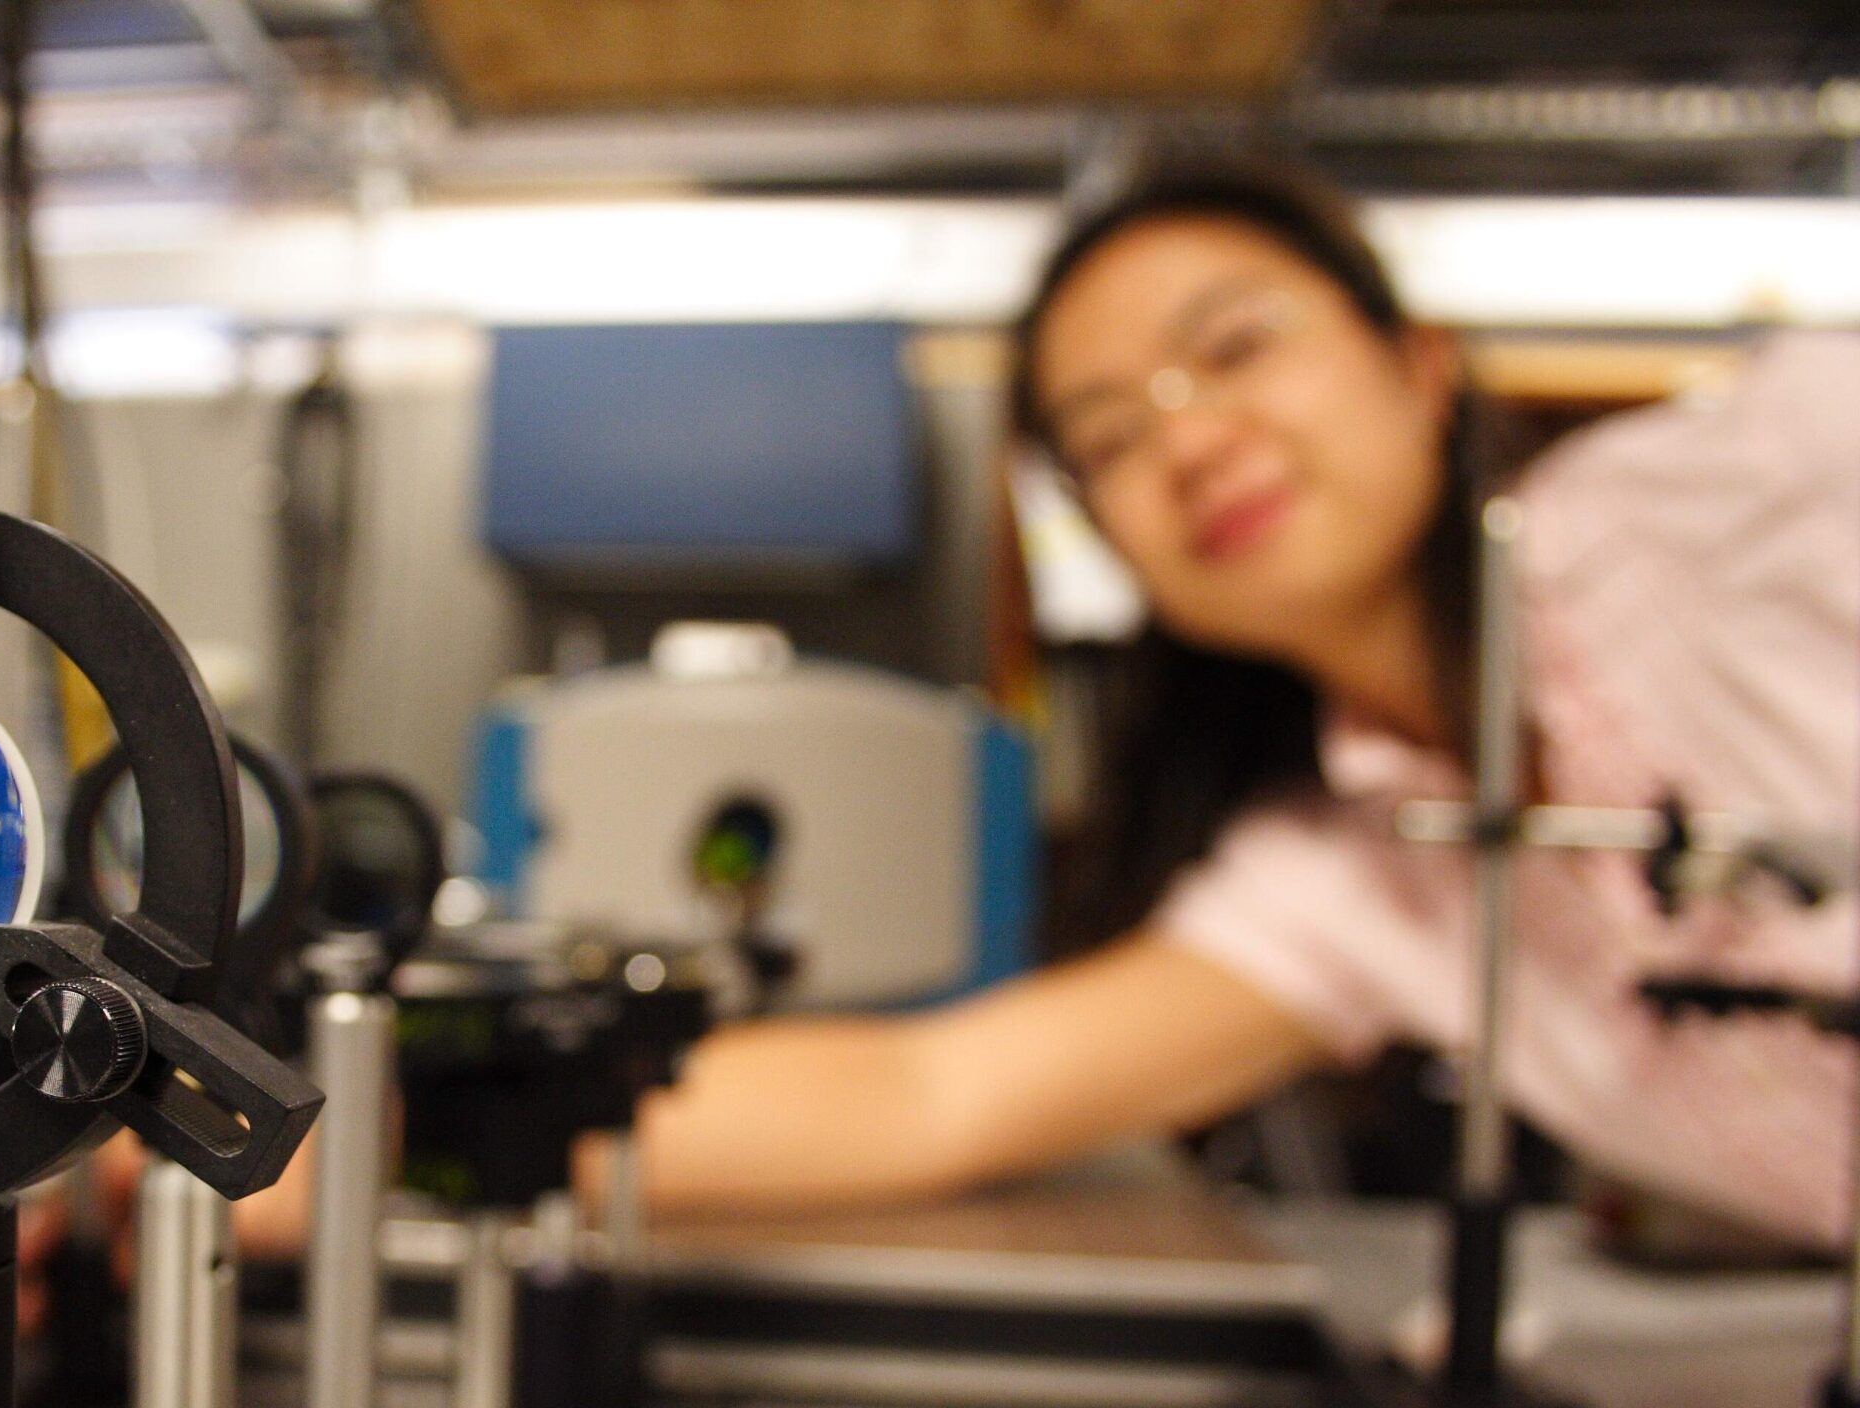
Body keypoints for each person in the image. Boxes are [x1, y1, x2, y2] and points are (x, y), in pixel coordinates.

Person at [617, 158, 1858, 1251]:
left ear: (1416, 364)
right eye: (1108, 441)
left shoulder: (1772, 477)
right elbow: (924, 1095)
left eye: (1234, 348)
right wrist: (455, 1115)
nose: (1191, 444)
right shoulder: (1349, 881)